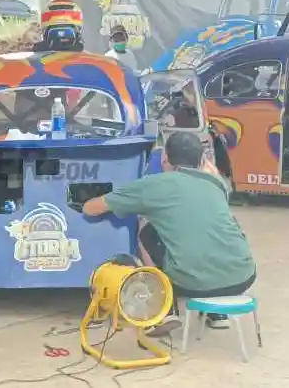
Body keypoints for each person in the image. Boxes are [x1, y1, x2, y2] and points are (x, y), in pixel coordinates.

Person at [81, 131, 256, 336]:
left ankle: (165, 309)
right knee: (210, 227)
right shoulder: (217, 184)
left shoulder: (153, 185)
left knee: (145, 228)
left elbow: (91, 209)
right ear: (202, 160)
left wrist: (84, 200)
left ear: (165, 158)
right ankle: (217, 313)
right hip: (243, 276)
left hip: (193, 283)